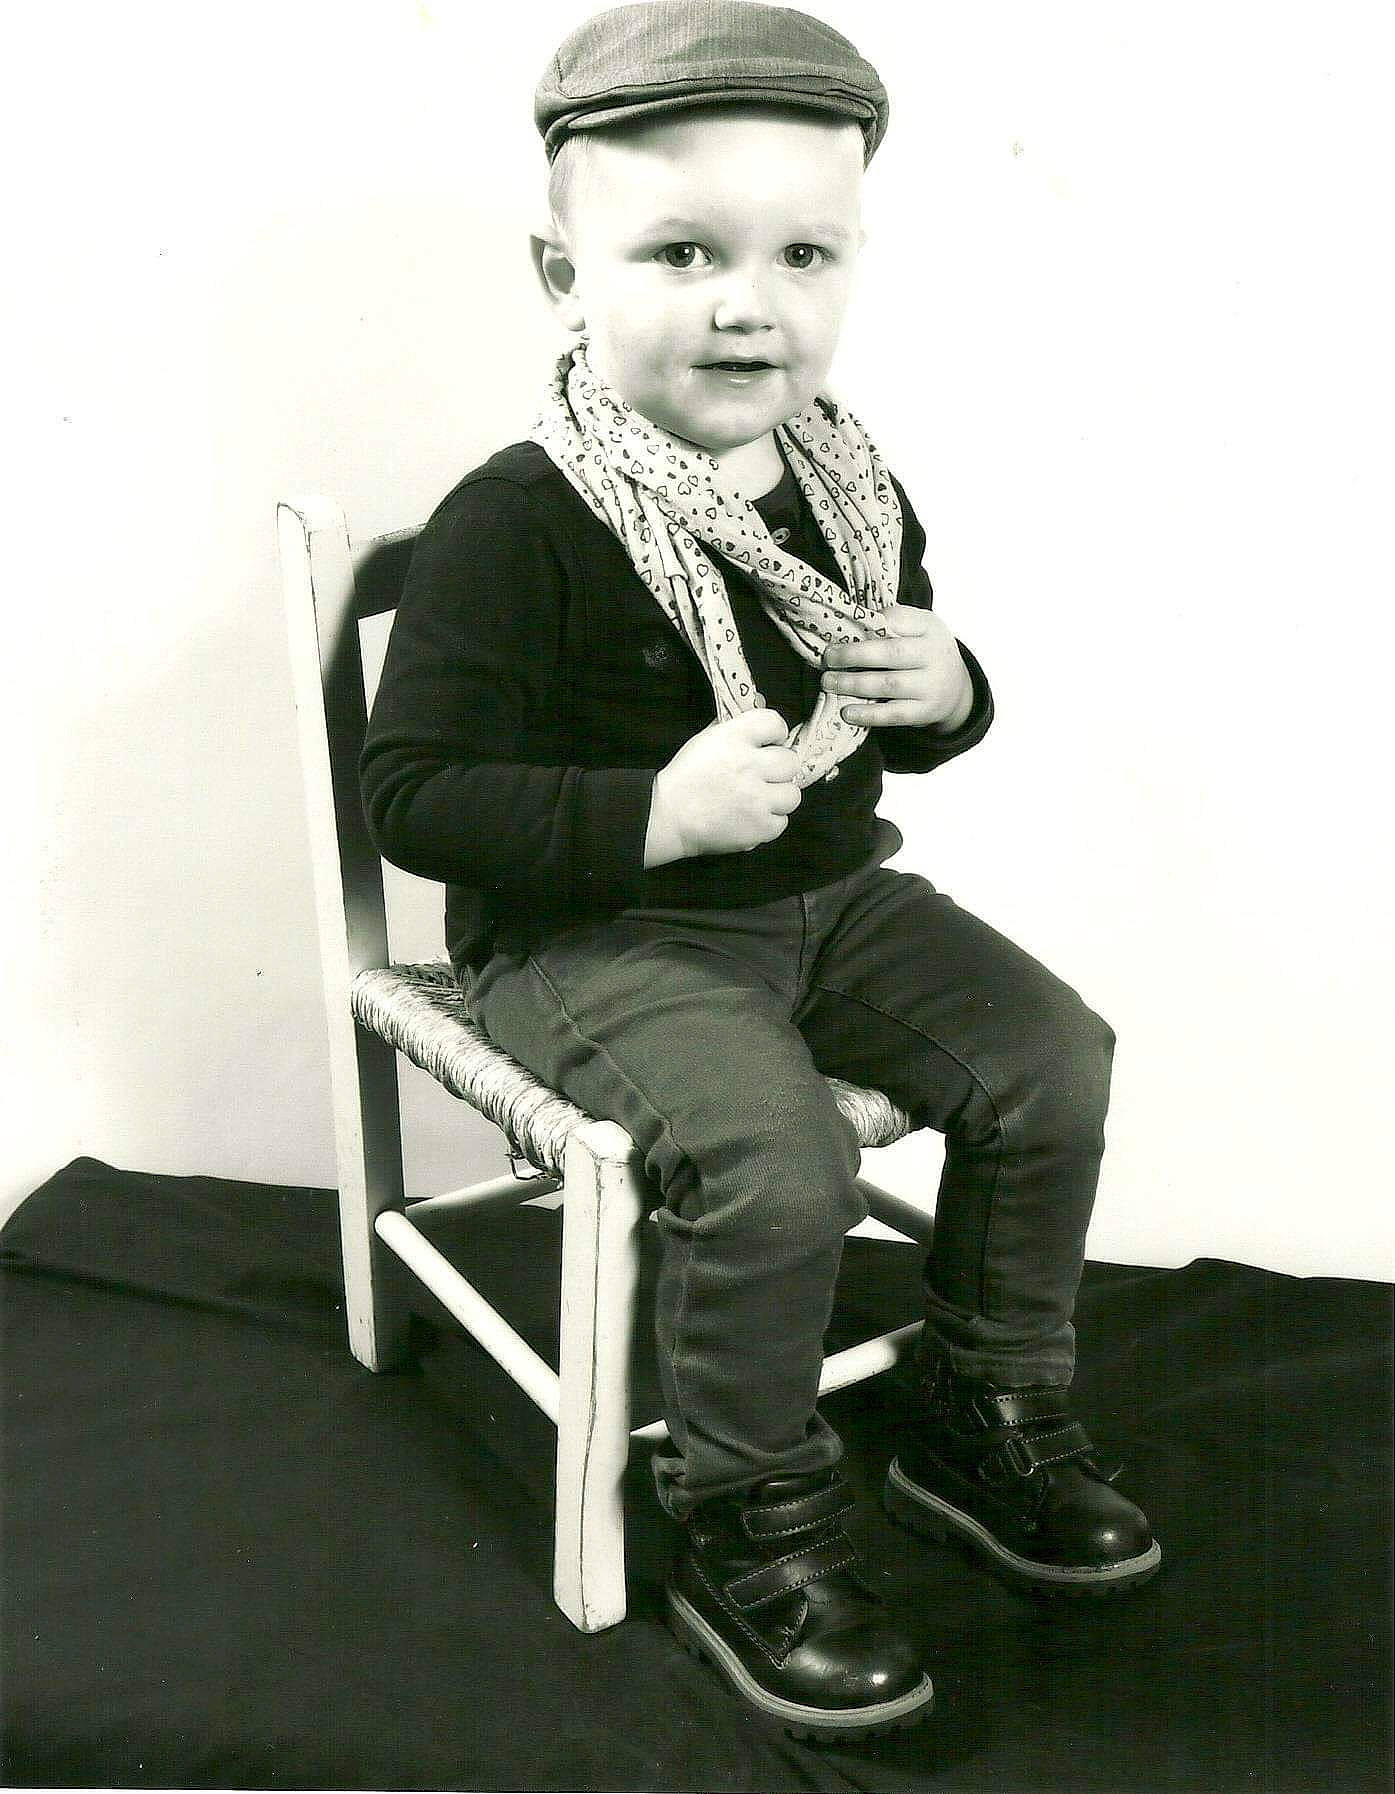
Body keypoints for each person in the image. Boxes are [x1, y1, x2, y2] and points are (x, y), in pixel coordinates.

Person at [361, 0, 1159, 1741]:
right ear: (560, 273)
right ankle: (746, 1501)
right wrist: (643, 813)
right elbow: (413, 794)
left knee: (1055, 1056)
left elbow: (906, 720)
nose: (752, 301)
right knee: (773, 1160)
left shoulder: (840, 485)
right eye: (682, 250)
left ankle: (985, 1395)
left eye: (807, 251)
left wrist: (946, 687)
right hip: (597, 936)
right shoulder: (523, 517)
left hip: (827, 899)